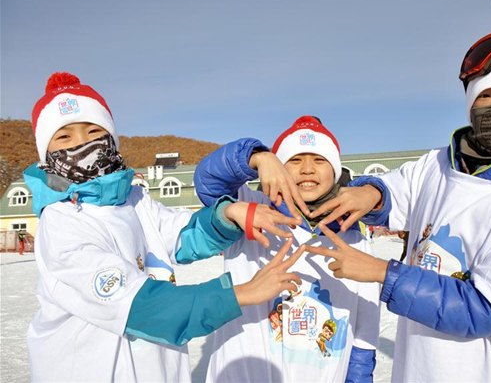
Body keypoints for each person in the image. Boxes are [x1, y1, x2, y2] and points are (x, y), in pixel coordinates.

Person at [306, 31, 491, 382]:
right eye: (486, 96)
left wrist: (379, 271)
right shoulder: (438, 164)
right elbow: (393, 190)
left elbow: (482, 309)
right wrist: (370, 193)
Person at [24, 72, 304, 382]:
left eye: (93, 130)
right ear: (45, 151)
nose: (83, 143)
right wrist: (243, 293)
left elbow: (183, 235)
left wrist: (229, 213)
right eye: (64, 137)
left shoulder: (132, 198)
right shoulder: (62, 221)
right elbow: (143, 308)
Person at [194, 116, 381, 382]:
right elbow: (208, 180)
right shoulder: (251, 207)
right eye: (294, 160)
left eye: (319, 160)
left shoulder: (354, 239)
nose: (307, 169)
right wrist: (257, 157)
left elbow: (365, 331)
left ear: (336, 171)